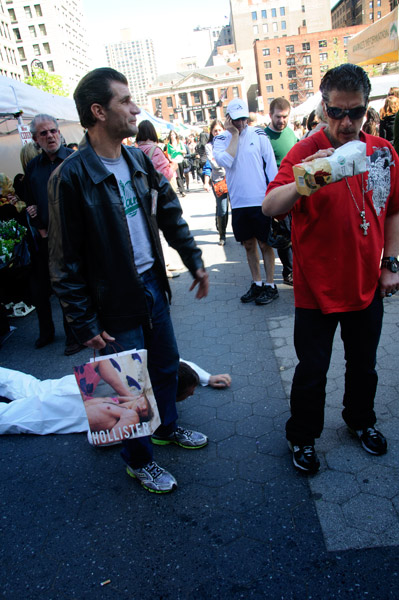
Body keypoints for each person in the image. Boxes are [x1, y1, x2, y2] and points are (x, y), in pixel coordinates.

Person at [47, 67, 210, 494]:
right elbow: (63, 261)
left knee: (165, 367)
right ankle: (139, 462)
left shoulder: (137, 159)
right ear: (98, 111)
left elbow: (170, 212)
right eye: (125, 101)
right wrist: (83, 323)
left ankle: (166, 428)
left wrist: (193, 259)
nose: (135, 108)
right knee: (130, 389)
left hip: (152, 286)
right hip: (113, 301)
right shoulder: (71, 176)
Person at [263, 63, 399, 474]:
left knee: (364, 365)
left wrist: (391, 263)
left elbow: (393, 212)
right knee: (312, 371)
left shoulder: (383, 152)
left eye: (354, 112)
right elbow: (270, 207)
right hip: (315, 289)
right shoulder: (306, 152)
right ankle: (302, 436)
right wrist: (310, 177)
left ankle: (360, 420)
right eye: (336, 112)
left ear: (366, 110)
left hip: (365, 283)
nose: (345, 122)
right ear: (323, 108)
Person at [0, 361, 231, 434]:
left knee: (32, 387)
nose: (192, 396)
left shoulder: (155, 372)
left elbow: (181, 362)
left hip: (76, 386)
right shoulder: (147, 408)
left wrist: (206, 377)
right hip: (69, 408)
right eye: (189, 393)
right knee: (13, 418)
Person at [24, 115, 82, 355]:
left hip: (74, 236)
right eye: (43, 133)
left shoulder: (73, 159)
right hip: (46, 238)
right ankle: (46, 333)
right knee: (42, 288)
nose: (50, 136)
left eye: (53, 131)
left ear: (59, 132)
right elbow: (30, 202)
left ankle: (75, 336)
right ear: (36, 139)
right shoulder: (33, 167)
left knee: (71, 287)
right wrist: (40, 227)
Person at [213, 97, 278, 305]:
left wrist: (274, 194)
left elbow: (271, 167)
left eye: (244, 119)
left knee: (265, 243)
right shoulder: (221, 139)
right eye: (237, 120)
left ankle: (270, 285)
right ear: (229, 119)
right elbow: (226, 161)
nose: (242, 124)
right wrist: (233, 134)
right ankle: (257, 282)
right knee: (248, 245)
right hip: (239, 201)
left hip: (261, 200)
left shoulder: (258, 134)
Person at [265, 97, 297, 286]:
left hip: (296, 191)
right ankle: (289, 271)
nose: (282, 120)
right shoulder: (264, 136)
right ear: (270, 115)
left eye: (285, 116)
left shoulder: (291, 134)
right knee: (284, 235)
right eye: (278, 116)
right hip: (277, 192)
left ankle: (296, 269)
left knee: (295, 232)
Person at [204, 119, 229, 246]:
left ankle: (240, 235)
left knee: (235, 208)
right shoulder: (209, 146)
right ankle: (222, 235)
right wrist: (227, 166)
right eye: (215, 131)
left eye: (220, 130)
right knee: (223, 208)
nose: (218, 133)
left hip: (232, 179)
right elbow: (213, 163)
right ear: (212, 132)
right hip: (219, 180)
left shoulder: (230, 142)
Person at [167, 130, 186, 197]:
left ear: (176, 135)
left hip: (180, 160)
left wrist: (179, 150)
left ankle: (182, 186)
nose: (172, 136)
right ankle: (182, 191)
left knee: (181, 175)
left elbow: (184, 151)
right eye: (171, 135)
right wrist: (170, 160)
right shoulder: (169, 144)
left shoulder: (179, 142)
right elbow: (168, 154)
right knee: (178, 176)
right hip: (174, 161)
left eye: (173, 134)